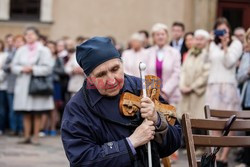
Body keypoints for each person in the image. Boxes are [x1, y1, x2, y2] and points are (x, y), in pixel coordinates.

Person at [61, 37, 182, 167]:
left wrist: (157, 120)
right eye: (101, 75)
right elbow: (82, 160)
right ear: (89, 78)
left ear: (122, 63)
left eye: (115, 69)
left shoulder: (143, 88)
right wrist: (131, 143)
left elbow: (173, 143)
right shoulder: (77, 108)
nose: (112, 80)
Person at [205, 18, 243, 167]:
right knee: (214, 123)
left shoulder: (236, 44)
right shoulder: (213, 45)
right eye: (219, 30)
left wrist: (226, 45)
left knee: (229, 123)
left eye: (225, 30)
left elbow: (229, 62)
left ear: (229, 30)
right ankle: (215, 155)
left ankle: (224, 157)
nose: (222, 33)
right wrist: (208, 43)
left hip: (228, 85)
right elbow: (206, 61)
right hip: (213, 85)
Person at [11, 27, 54, 144]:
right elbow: (13, 66)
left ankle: (36, 137)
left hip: (37, 85)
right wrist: (22, 69)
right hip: (23, 84)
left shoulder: (44, 50)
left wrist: (33, 69)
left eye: (32, 34)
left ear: (37, 36)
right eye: (27, 34)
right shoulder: (21, 50)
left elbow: (48, 68)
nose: (29, 36)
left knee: (37, 112)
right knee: (26, 113)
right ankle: (26, 136)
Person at [146, 23, 181, 106]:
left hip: (170, 95)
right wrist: (154, 92)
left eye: (163, 34)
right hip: (152, 95)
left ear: (167, 36)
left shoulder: (174, 53)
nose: (160, 37)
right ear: (153, 37)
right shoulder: (147, 52)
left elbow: (177, 73)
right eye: (157, 34)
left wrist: (165, 91)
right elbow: (146, 73)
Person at [179, 29, 211, 119]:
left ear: (206, 41)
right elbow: (183, 70)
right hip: (185, 93)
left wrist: (191, 87)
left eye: (201, 39)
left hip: (199, 93)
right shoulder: (190, 52)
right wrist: (182, 85)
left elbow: (205, 75)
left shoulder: (207, 55)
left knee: (198, 119)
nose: (198, 42)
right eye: (197, 39)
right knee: (185, 120)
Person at [3, 35, 26, 136]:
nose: (18, 44)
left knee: (22, 109)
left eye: (20, 41)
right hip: (12, 85)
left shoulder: (27, 54)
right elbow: (4, 66)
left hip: (23, 85)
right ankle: (14, 128)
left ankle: (22, 129)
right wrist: (10, 66)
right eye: (16, 42)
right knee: (12, 109)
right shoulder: (11, 54)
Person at [236, 28, 250, 166]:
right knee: (248, 128)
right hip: (248, 96)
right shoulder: (246, 55)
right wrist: (247, 72)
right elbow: (239, 77)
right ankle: (246, 161)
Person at [0, 39, 8, 135]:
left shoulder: (5, 55)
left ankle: (1, 127)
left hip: (2, 86)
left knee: (1, 109)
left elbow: (5, 70)